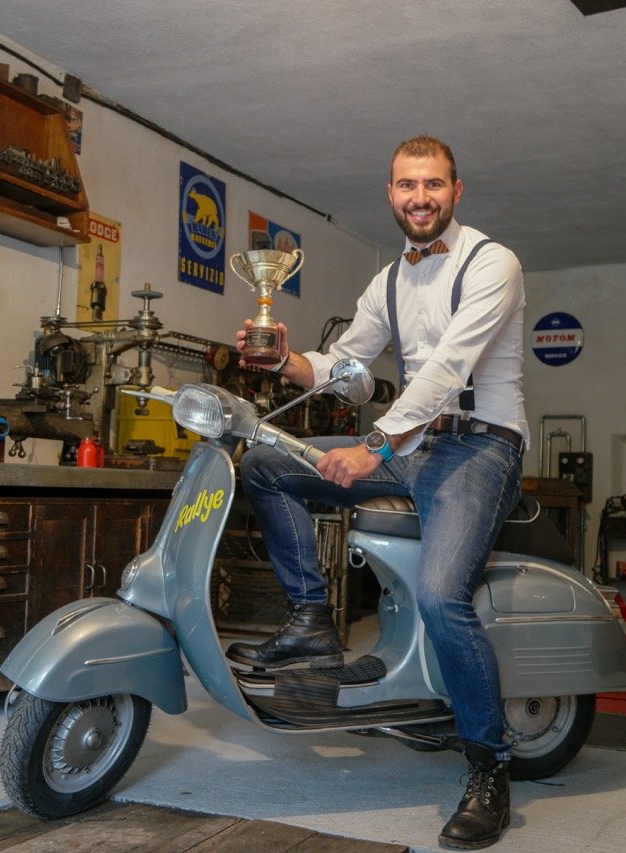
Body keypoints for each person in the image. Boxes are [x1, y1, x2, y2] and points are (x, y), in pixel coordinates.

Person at [226, 135, 528, 850]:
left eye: (431, 184)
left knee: (439, 594)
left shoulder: (495, 263)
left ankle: (488, 764)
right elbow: (349, 367)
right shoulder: (389, 278)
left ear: (457, 190)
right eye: (404, 185)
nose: (418, 197)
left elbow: (451, 365)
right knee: (265, 461)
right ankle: (310, 616)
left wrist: (374, 446)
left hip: (481, 445)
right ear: (389, 193)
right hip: (411, 444)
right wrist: (286, 357)